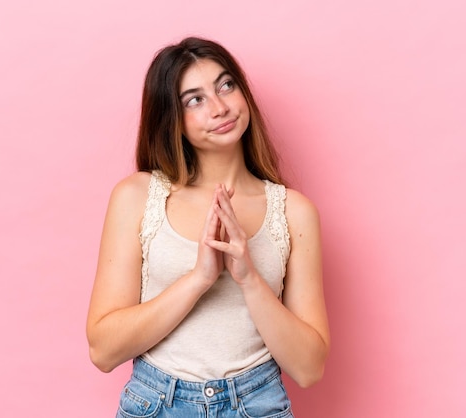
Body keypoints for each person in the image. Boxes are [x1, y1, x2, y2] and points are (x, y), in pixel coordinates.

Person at [86, 36, 330, 417]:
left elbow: (309, 368)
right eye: (194, 100)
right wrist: (199, 278)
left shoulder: (294, 213)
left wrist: (248, 277)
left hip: (257, 404)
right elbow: (103, 350)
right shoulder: (137, 196)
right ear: (173, 120)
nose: (220, 107)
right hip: (157, 403)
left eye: (226, 85)